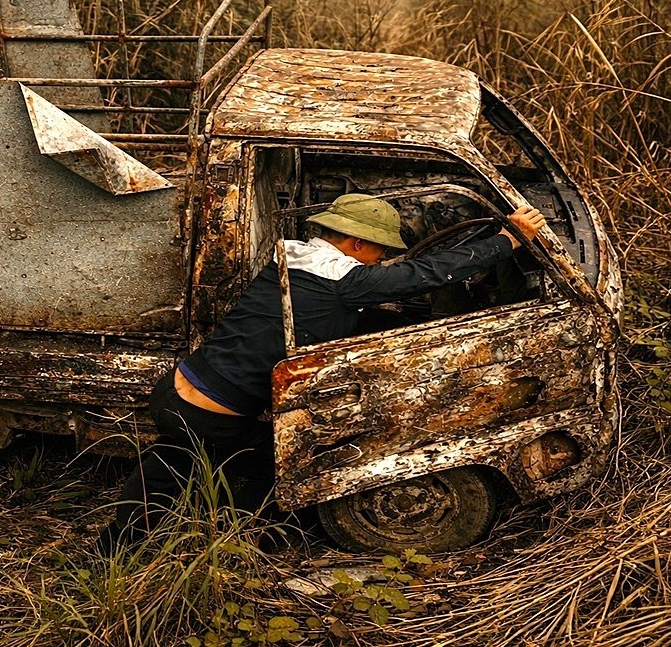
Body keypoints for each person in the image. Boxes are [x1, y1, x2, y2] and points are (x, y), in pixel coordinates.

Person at [102, 193, 548, 552]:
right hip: (210, 414)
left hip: (180, 388)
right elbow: (425, 274)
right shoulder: (346, 280)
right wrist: (507, 240)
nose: (381, 260)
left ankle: (140, 542)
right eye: (380, 250)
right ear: (356, 243)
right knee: (275, 468)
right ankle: (219, 541)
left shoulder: (288, 259)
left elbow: (319, 317)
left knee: (177, 467)